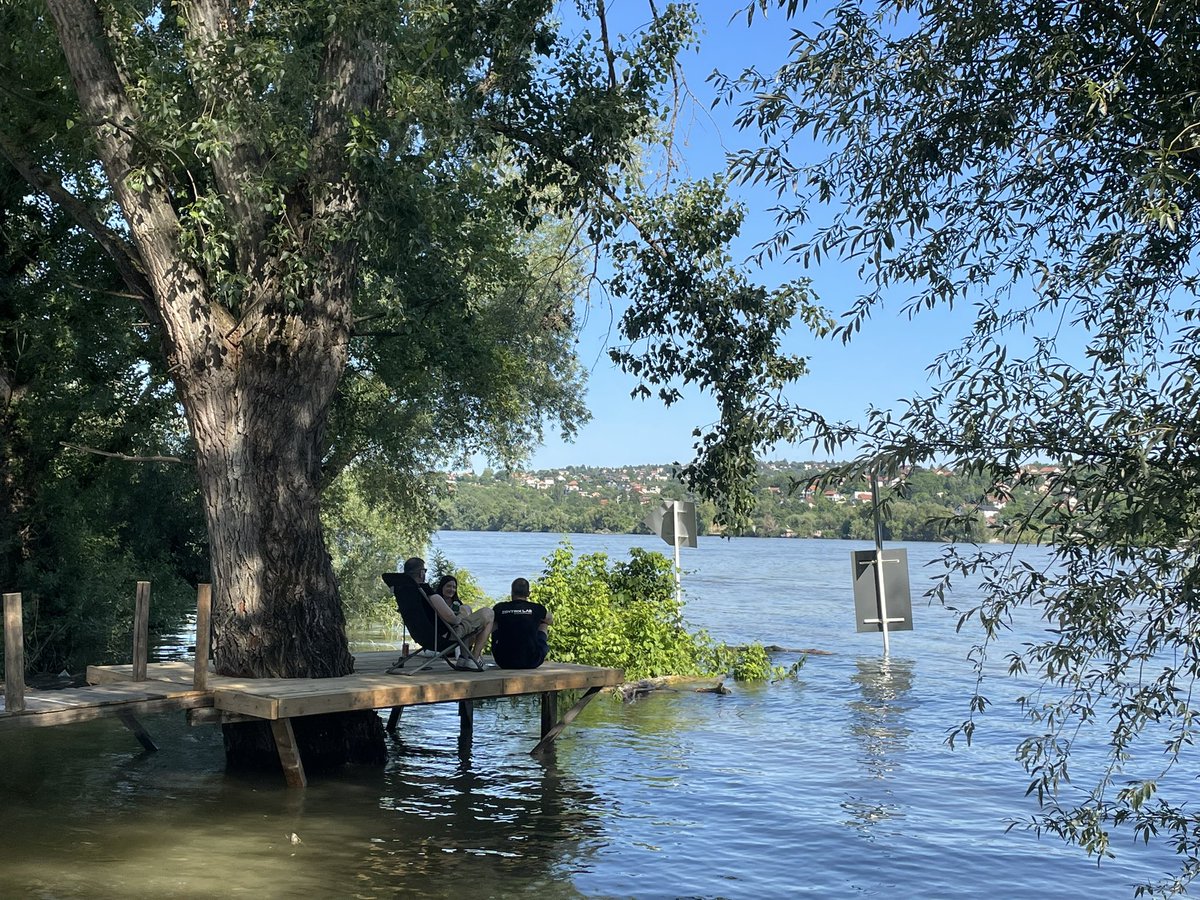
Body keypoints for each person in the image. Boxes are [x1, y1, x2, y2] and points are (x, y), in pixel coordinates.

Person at [403, 557, 493, 668]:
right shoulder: (426, 591)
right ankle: (473, 658)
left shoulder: (405, 592)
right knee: (488, 613)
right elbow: (451, 618)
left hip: (421, 636)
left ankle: (463, 658)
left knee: (465, 608)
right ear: (421, 573)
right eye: (425, 571)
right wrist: (460, 619)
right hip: (445, 637)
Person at [490, 577, 553, 669]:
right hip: (532, 661)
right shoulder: (537, 608)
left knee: (494, 621)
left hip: (503, 661)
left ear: (512, 592)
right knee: (544, 622)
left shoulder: (499, 608)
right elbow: (549, 620)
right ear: (528, 593)